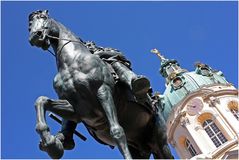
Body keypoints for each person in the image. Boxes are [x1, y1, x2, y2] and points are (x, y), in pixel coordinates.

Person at [84, 41, 151, 98]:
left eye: (89, 45)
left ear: (94, 45)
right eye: (87, 46)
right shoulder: (88, 59)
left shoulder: (105, 49)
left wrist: (101, 54)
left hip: (113, 65)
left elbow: (119, 54)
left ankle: (135, 84)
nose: (89, 47)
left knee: (117, 65)